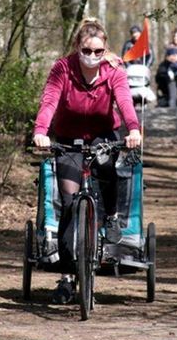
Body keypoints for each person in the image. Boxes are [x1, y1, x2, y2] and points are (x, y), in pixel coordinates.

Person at [33, 19, 143, 304]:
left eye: (98, 51)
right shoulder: (62, 68)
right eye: (87, 50)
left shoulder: (113, 71)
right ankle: (69, 274)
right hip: (68, 137)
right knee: (69, 202)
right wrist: (41, 132)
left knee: (107, 169)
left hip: (103, 135)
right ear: (77, 47)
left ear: (104, 50)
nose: (92, 56)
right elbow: (49, 102)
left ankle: (111, 216)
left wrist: (132, 129)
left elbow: (124, 101)